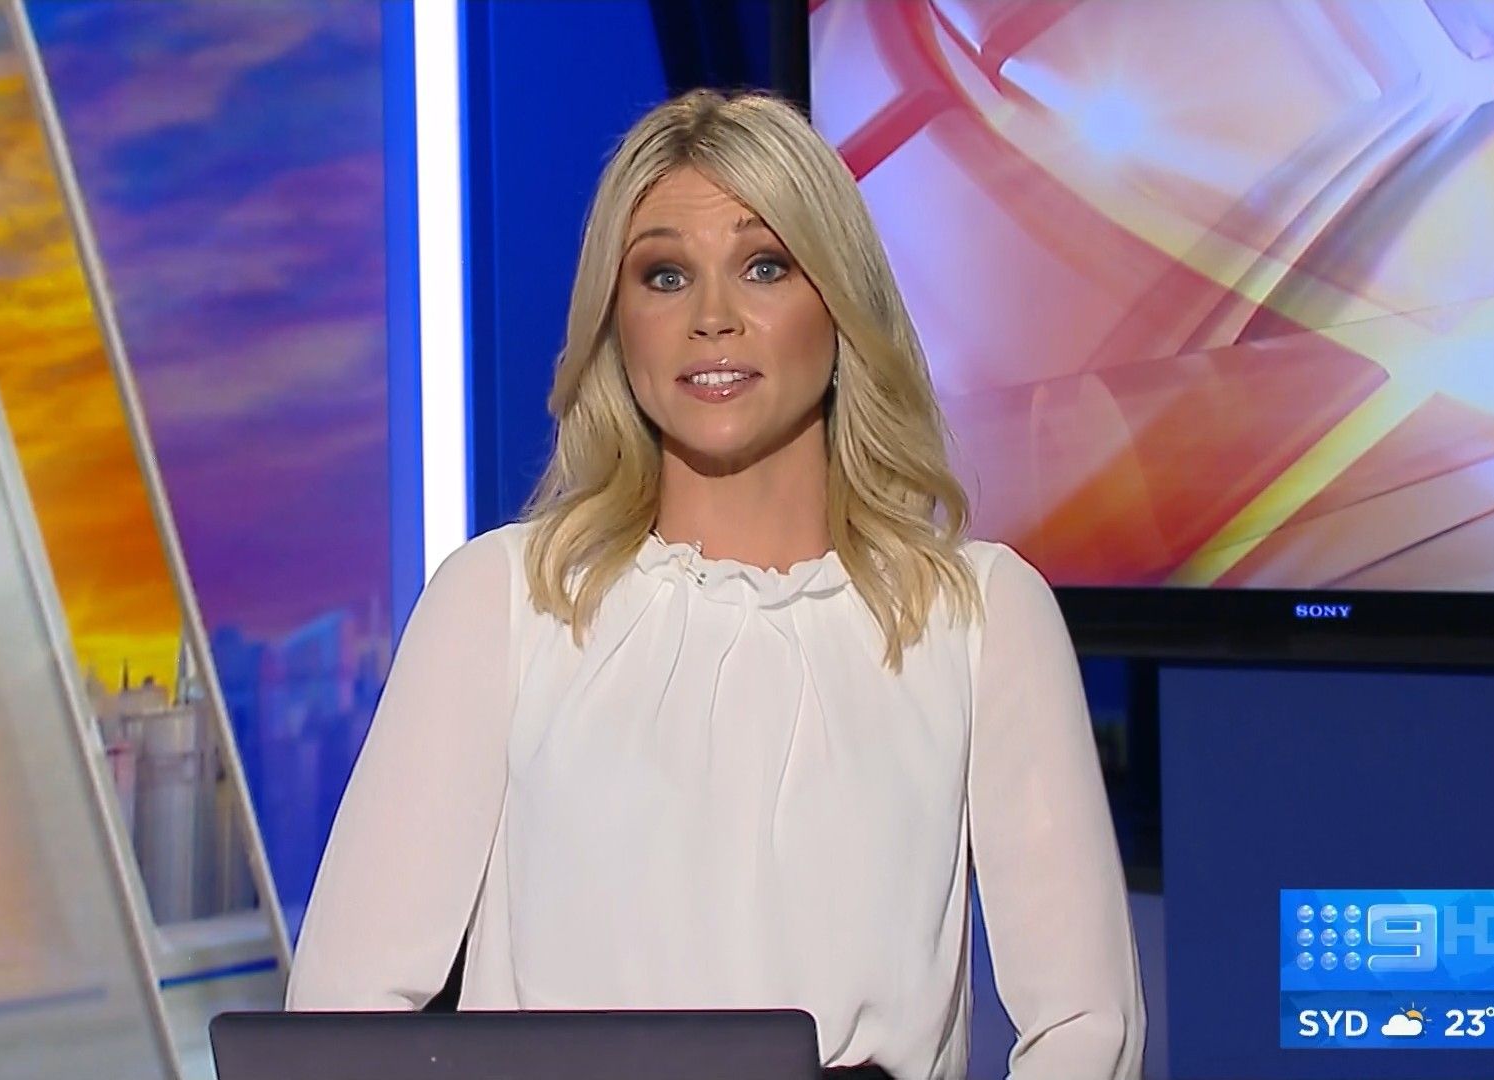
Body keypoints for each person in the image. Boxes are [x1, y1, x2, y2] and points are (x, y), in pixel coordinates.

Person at [286, 89, 1144, 1080]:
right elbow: (340, 1014)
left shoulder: (977, 618)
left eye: (764, 265)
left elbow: (1087, 1028)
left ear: (839, 301)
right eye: (665, 275)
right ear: (618, 324)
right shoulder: (503, 600)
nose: (713, 318)